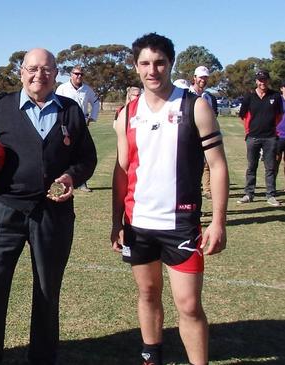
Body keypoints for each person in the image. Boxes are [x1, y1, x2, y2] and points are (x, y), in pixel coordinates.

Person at [0, 48, 97, 365]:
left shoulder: (71, 110)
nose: (39, 75)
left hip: (53, 214)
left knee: (48, 290)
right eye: (32, 68)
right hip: (3, 209)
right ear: (21, 71)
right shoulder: (3, 107)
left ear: (56, 73)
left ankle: (42, 358)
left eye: (46, 69)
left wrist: (71, 177)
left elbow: (87, 159)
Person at [111, 33, 228, 365]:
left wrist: (218, 221)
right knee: (147, 294)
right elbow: (121, 170)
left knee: (188, 305)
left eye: (160, 62)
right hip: (138, 225)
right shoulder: (126, 114)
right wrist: (115, 221)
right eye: (145, 63)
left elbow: (217, 166)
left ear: (171, 63)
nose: (153, 70)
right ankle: (152, 357)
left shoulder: (195, 106)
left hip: (181, 226)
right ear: (136, 67)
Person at [237, 70, 284, 206]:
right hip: (253, 137)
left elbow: (279, 116)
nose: (262, 82)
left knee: (270, 168)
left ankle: (270, 196)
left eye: (265, 79)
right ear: (256, 81)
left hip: (270, 138)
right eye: (260, 80)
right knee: (251, 167)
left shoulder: (275, 96)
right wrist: (248, 130)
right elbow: (243, 115)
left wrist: (271, 128)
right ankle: (249, 194)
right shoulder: (249, 97)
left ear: (268, 81)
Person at [56, 65, 100, 192]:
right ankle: (61, 180)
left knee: (82, 153)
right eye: (76, 74)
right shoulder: (62, 89)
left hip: (81, 126)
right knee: (64, 152)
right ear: (71, 74)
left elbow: (95, 103)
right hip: (65, 126)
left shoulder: (87, 89)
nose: (79, 76)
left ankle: (82, 182)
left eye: (81, 74)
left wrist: (92, 117)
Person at [189, 65, 219, 200]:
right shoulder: (185, 94)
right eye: (201, 77)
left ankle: (206, 189)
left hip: (206, 137)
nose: (203, 80)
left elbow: (214, 117)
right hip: (190, 137)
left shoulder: (210, 98)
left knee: (207, 165)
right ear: (194, 78)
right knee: (191, 168)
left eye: (205, 77)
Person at [276, 81, 285, 189]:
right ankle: (272, 188)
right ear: (282, 88)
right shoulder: (277, 101)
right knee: (274, 164)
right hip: (278, 136)